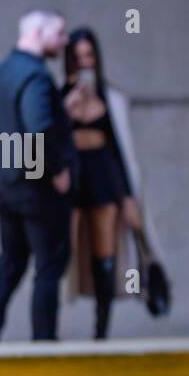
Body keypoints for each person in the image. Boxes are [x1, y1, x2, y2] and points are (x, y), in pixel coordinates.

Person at [0, 9, 77, 342]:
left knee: (11, 262)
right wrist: (57, 171)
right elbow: (39, 130)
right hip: (36, 189)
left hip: (5, 187)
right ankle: (44, 346)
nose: (64, 41)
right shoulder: (36, 78)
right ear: (37, 33)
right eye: (59, 33)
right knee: (48, 266)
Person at [60, 27, 153, 340]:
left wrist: (128, 197)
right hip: (72, 180)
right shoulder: (58, 98)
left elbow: (120, 151)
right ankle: (51, 329)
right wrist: (66, 108)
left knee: (105, 255)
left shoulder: (110, 99)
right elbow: (49, 143)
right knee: (64, 253)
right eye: (77, 57)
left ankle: (101, 330)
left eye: (88, 56)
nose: (84, 63)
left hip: (104, 179)